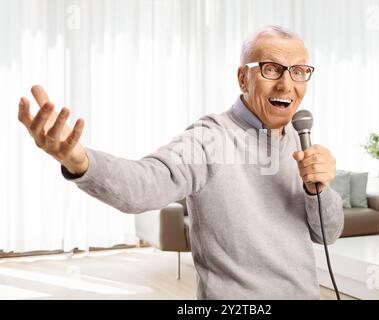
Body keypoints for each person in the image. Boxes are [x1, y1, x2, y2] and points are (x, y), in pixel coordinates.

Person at [17, 25, 344, 299]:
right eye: (271, 69)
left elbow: (327, 235)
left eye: (299, 71)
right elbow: (145, 185)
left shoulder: (300, 141)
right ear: (243, 79)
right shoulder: (210, 137)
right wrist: (79, 161)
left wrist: (319, 190)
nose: (287, 84)